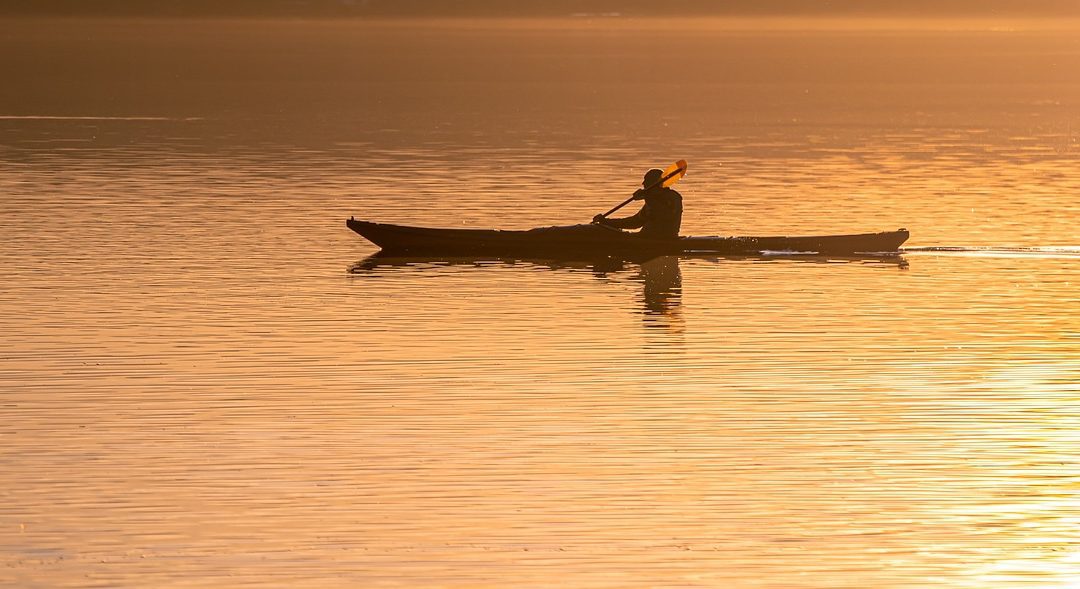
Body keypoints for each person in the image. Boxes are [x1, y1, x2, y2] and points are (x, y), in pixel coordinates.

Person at [593, 168, 683, 238]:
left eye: (646, 180)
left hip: (663, 239)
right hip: (644, 237)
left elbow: (666, 216)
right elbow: (634, 222)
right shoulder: (651, 201)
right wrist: (606, 222)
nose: (643, 183)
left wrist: (647, 197)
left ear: (655, 183)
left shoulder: (673, 197)